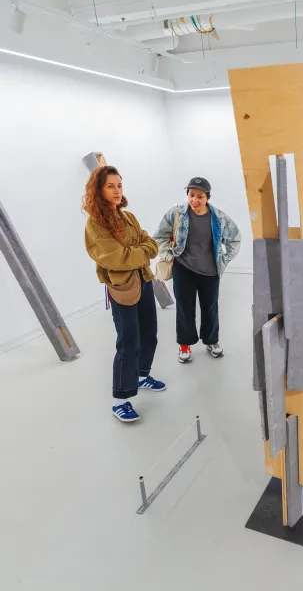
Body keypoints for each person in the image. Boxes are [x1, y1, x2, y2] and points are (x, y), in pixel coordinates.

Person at [83, 166, 166, 423]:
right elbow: (118, 258)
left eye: (119, 185)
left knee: (149, 335)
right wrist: (141, 251)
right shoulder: (95, 225)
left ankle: (142, 375)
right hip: (122, 290)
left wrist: (140, 250)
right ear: (99, 190)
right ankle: (120, 399)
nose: (117, 191)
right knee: (128, 342)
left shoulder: (127, 216)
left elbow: (151, 242)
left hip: (144, 281)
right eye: (111, 186)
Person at [154, 177, 241, 363]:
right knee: (184, 308)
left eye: (199, 196)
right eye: (191, 195)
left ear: (207, 197)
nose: (194, 200)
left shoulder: (218, 217)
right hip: (183, 269)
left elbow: (235, 239)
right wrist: (169, 254)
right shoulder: (177, 213)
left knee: (210, 308)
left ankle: (212, 341)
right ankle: (185, 344)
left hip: (210, 272)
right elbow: (159, 236)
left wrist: (224, 260)